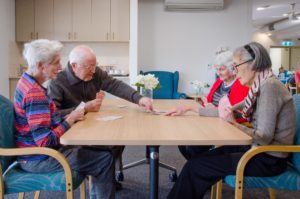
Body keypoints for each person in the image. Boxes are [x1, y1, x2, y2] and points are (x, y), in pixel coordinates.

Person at [167, 42, 296, 199]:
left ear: (252, 64)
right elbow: (226, 112)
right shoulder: (260, 86)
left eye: (236, 66)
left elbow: (264, 136)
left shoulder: (269, 87)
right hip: (255, 150)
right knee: (196, 162)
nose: (236, 72)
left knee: (196, 166)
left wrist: (233, 123)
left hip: (267, 159)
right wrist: (194, 109)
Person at [14, 39, 116, 199]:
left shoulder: (26, 82)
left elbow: (47, 119)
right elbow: (45, 142)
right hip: (39, 158)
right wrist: (69, 120)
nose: (61, 67)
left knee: (102, 151)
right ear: (41, 65)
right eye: (55, 63)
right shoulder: (35, 94)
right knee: (104, 159)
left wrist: (73, 115)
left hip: (32, 154)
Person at [47, 45, 153, 188]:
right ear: (74, 66)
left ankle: (105, 176)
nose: (94, 70)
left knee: (118, 138)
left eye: (95, 65)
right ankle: (102, 174)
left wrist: (139, 99)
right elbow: (54, 115)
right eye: (89, 67)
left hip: (91, 121)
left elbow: (115, 85)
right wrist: (84, 108)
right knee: (105, 151)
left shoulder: (94, 73)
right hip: (72, 129)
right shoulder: (57, 81)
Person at [165, 48, 249, 159]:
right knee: (183, 140)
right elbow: (208, 101)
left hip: (229, 126)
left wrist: (212, 108)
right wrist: (210, 106)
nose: (218, 73)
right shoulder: (220, 81)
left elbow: (232, 113)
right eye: (217, 69)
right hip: (211, 120)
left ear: (233, 69)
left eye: (222, 69)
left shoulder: (241, 85)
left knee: (193, 147)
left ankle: (196, 168)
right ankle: (195, 168)